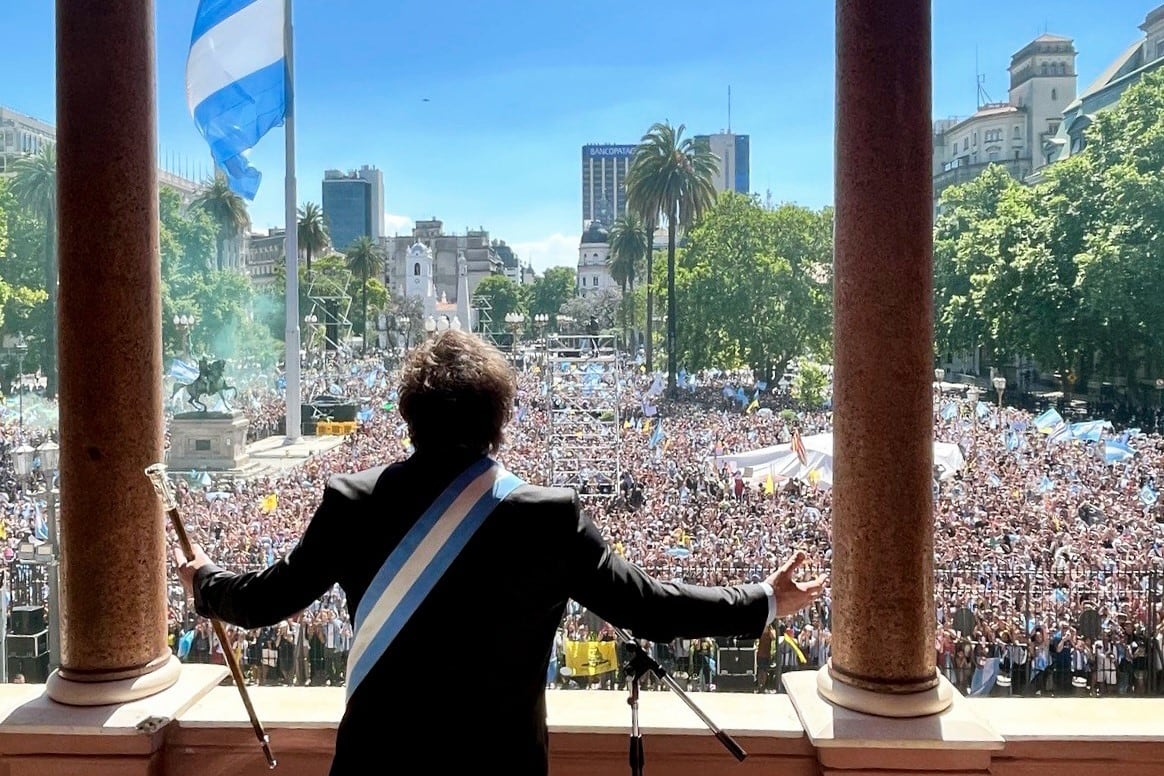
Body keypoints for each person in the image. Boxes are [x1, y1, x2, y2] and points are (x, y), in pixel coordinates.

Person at [175, 330, 827, 776]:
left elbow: (264, 601)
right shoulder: (547, 518)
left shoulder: (352, 502)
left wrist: (205, 581)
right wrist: (765, 601)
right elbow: (650, 608)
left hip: (378, 763)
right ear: (499, 419)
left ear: (407, 413)